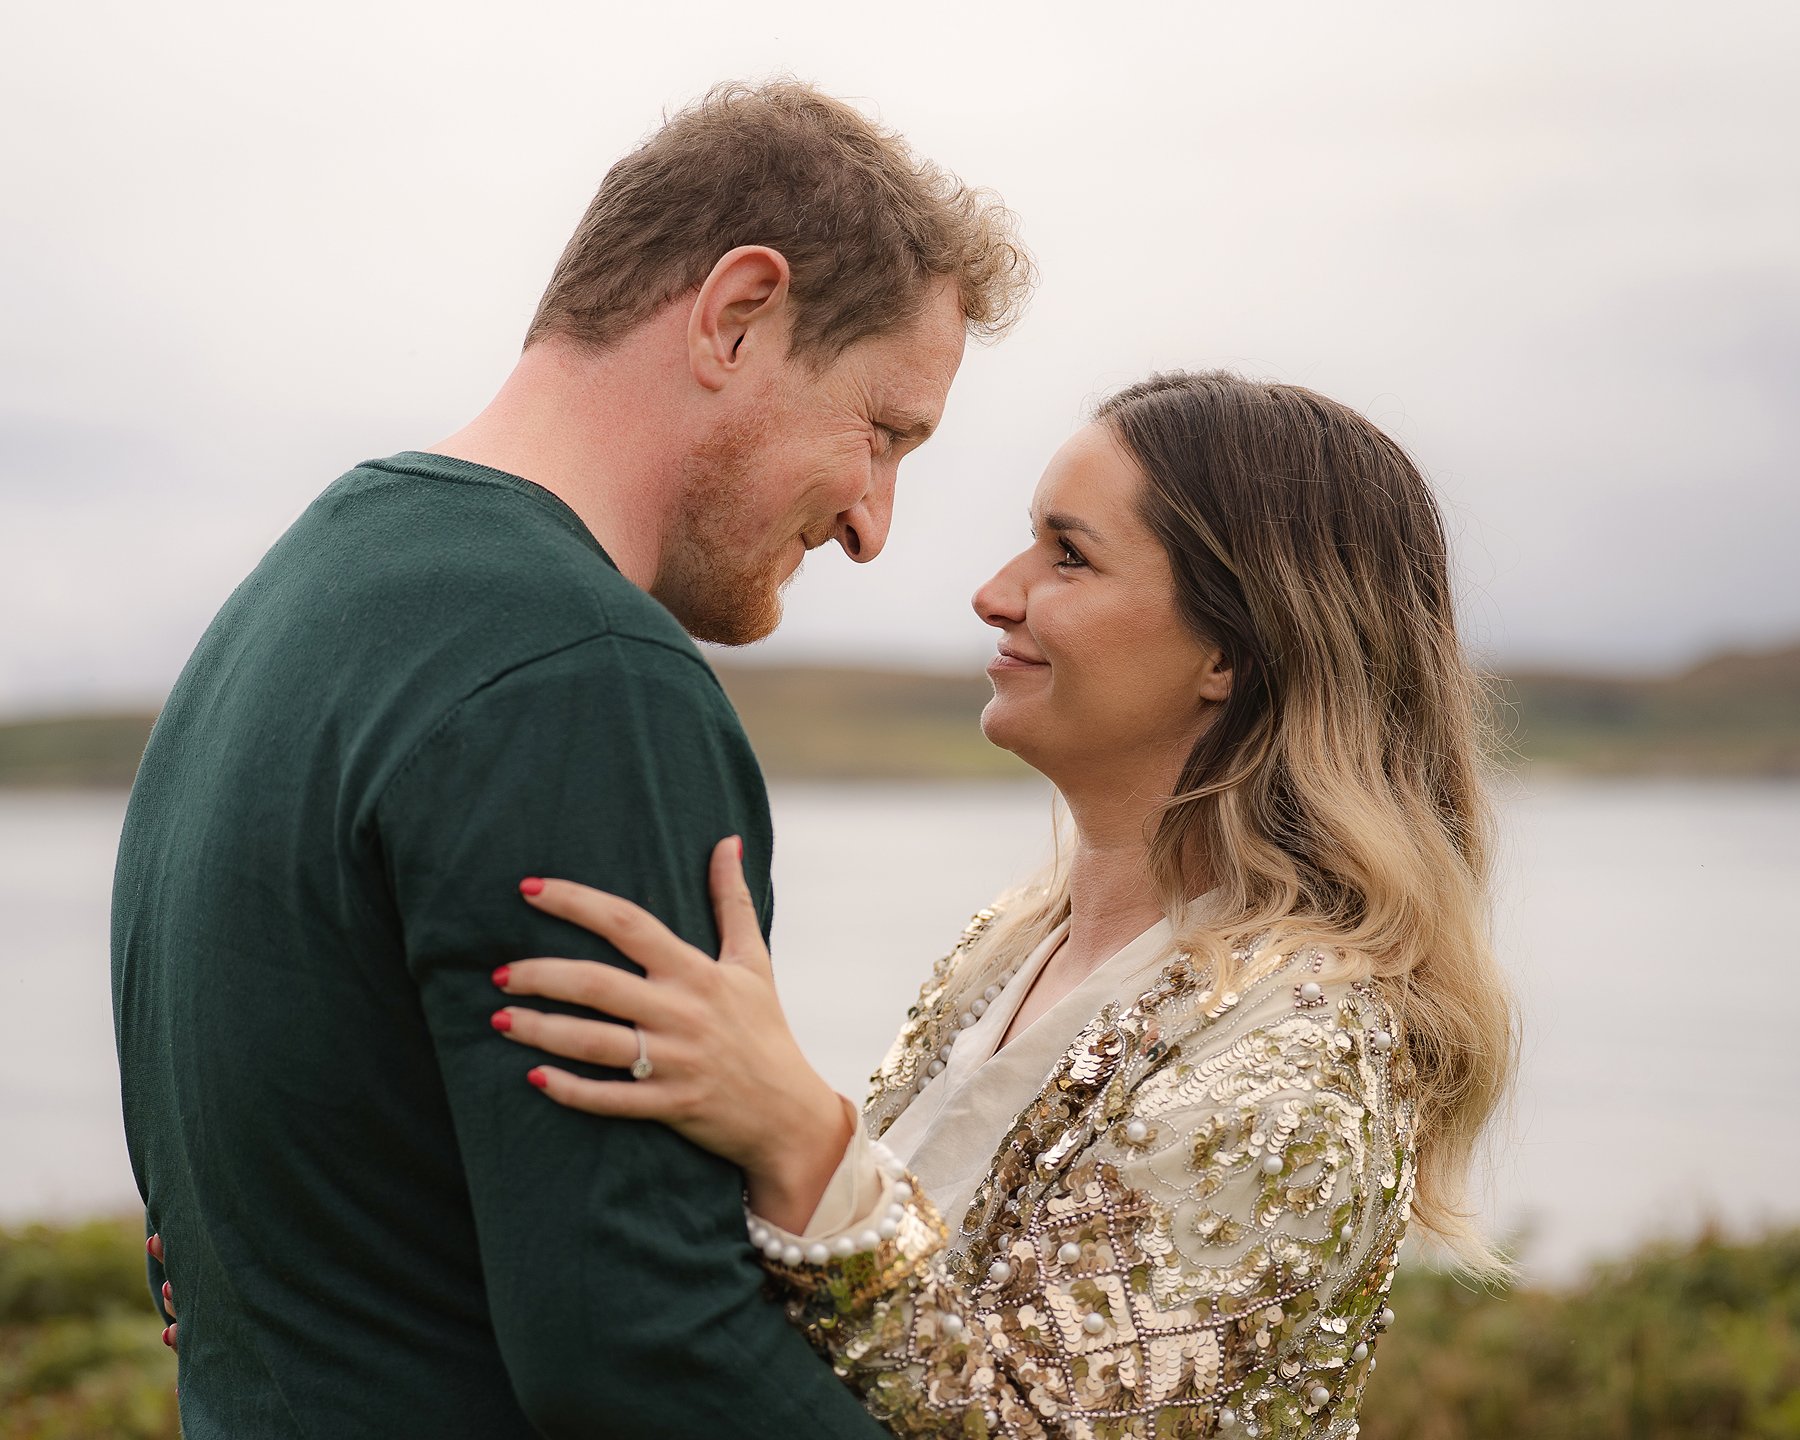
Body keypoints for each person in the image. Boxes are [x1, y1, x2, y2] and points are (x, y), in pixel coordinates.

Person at [113, 80, 1031, 1438]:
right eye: (883, 432)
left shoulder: (297, 597)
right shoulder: (580, 677)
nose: (871, 521)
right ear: (738, 314)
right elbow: (643, 1352)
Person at [477, 371, 1519, 1437]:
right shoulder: (1018, 945)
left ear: (1231, 651)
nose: (996, 592)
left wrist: (799, 1138)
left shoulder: (1300, 1053)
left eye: (1069, 555)